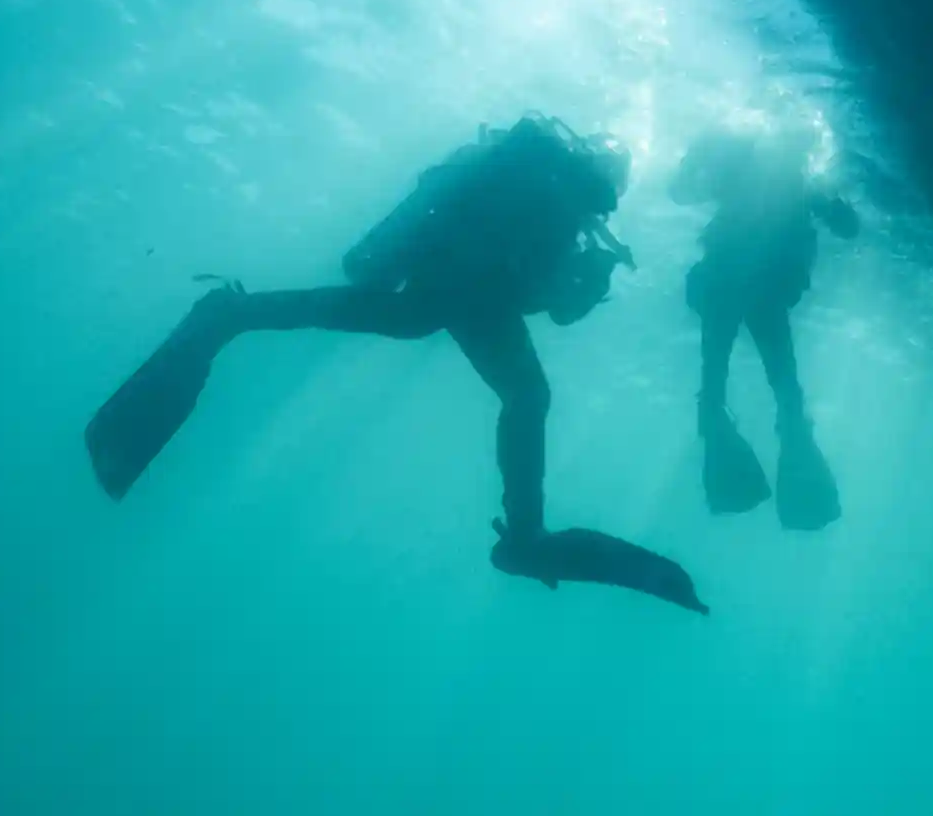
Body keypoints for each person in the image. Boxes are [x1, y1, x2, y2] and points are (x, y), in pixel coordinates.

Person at [84, 115, 706, 612]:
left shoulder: (541, 180)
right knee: (517, 390)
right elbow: (549, 298)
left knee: (470, 361)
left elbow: (530, 284)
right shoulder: (559, 196)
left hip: (455, 288)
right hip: (465, 291)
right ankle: (524, 535)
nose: (608, 201)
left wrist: (582, 273)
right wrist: (590, 276)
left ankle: (231, 314)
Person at [671, 122, 858, 529]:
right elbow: (849, 228)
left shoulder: (767, 177)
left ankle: (734, 466)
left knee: (725, 382)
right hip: (761, 290)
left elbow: (680, 192)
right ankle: (790, 466)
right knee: (782, 386)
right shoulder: (799, 184)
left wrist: (698, 155)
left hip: (730, 283)